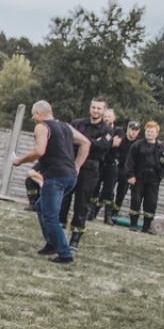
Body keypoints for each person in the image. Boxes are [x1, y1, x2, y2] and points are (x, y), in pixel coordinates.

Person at [10, 101, 90, 263]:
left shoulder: (42, 127)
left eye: (33, 115)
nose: (33, 118)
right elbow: (86, 143)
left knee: (50, 216)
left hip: (55, 177)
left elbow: (39, 151)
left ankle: (65, 254)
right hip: (70, 177)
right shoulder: (66, 126)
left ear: (39, 113)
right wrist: (77, 166)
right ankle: (52, 243)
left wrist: (19, 160)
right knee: (41, 206)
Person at [65, 97, 116, 248]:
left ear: (104, 110)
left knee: (82, 203)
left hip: (90, 168)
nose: (95, 111)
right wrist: (90, 142)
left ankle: (75, 238)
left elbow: (102, 146)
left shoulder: (107, 130)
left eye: (99, 108)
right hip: (71, 164)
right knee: (64, 199)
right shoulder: (77, 123)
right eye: (93, 107)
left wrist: (81, 141)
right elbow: (68, 140)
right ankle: (57, 235)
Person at [125, 121, 164, 233]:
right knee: (136, 200)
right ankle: (133, 224)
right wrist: (130, 175)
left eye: (151, 132)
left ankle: (146, 227)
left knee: (151, 202)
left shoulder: (161, 148)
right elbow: (130, 161)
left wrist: (160, 176)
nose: (149, 133)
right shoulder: (137, 145)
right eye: (147, 131)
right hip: (138, 177)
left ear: (157, 133)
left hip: (153, 179)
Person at [112, 120, 141, 221]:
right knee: (108, 191)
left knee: (121, 194)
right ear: (128, 129)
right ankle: (97, 211)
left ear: (138, 132)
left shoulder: (138, 144)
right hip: (116, 168)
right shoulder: (121, 140)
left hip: (127, 172)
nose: (133, 132)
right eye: (132, 129)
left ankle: (114, 213)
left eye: (136, 130)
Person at [97, 108, 123, 223]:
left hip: (111, 163)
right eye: (105, 116)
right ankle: (90, 212)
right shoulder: (99, 128)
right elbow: (97, 143)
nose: (107, 118)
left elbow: (116, 143)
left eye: (109, 116)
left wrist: (103, 142)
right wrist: (107, 142)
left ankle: (107, 216)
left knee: (108, 190)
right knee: (94, 188)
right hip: (99, 162)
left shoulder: (118, 130)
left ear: (114, 118)